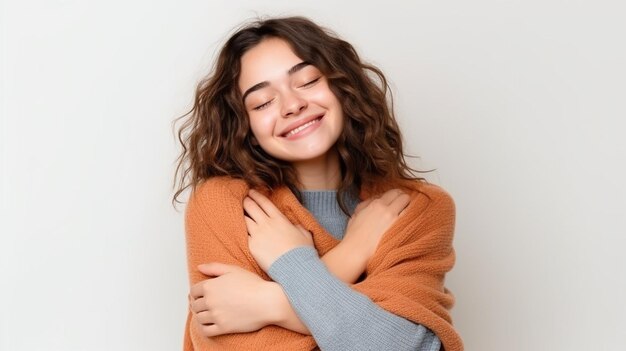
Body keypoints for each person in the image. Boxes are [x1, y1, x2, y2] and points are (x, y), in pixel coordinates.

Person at [173, 16, 463, 351]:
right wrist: (354, 252)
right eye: (263, 102)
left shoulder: (415, 208)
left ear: (342, 85)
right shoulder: (224, 203)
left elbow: (407, 347)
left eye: (308, 81)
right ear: (245, 125)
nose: (292, 105)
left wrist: (273, 299)